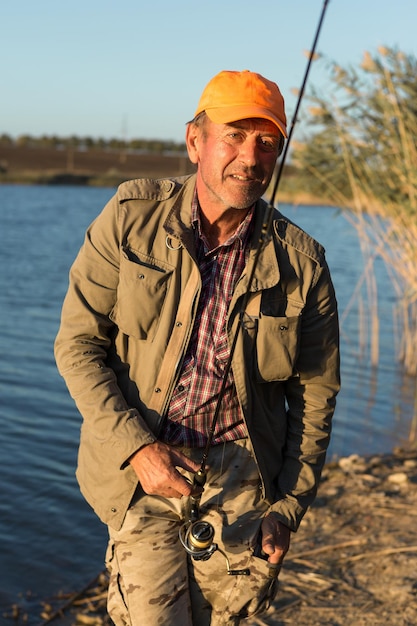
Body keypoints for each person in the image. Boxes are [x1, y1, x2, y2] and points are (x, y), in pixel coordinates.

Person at [55, 69, 340, 626]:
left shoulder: (304, 266)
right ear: (195, 141)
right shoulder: (129, 218)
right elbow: (78, 344)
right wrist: (138, 449)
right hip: (146, 468)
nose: (250, 158)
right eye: (234, 135)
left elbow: (315, 398)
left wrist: (288, 506)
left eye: (267, 142)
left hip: (245, 485)